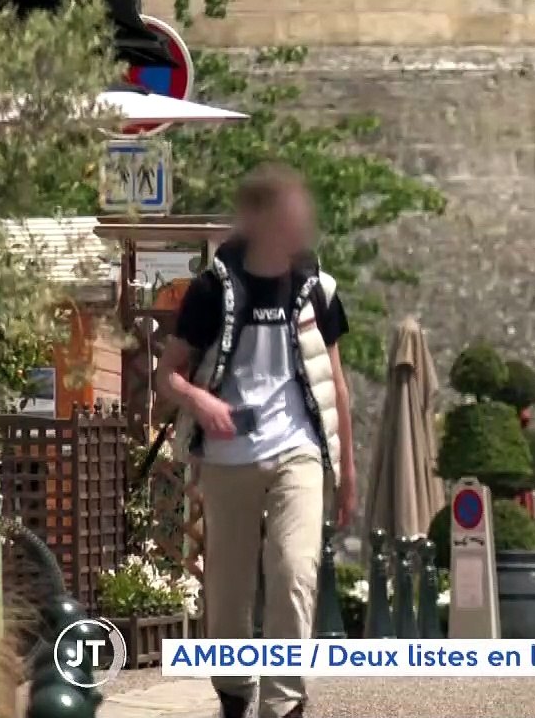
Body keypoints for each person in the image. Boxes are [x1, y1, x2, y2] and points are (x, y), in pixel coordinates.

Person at [157, 164, 356, 718]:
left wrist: (347, 474)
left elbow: (336, 384)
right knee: (228, 591)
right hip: (229, 457)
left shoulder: (317, 288)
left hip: (299, 450)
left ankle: (284, 704)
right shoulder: (213, 289)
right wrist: (202, 403)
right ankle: (234, 692)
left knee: (295, 569)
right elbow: (167, 375)